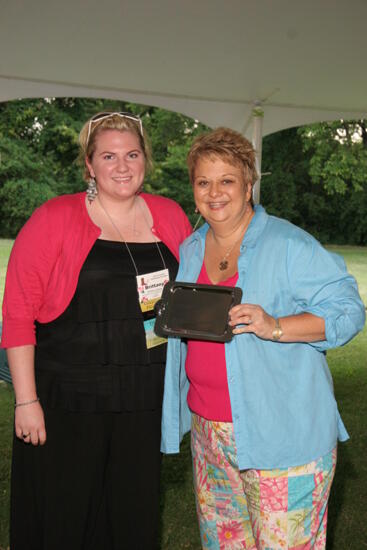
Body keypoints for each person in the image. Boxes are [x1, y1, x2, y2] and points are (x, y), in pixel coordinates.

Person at [161, 127, 365, 549]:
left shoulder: (289, 244)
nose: (214, 192)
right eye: (203, 182)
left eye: (227, 180)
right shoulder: (192, 248)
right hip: (209, 435)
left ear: (249, 185)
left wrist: (275, 325)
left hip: (282, 438)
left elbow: (349, 311)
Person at [1, 111, 192, 550]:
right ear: (89, 165)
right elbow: (17, 315)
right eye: (108, 156)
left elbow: (194, 294)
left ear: (146, 159)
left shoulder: (168, 215)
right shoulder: (54, 217)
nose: (122, 166)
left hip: (143, 399)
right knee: (65, 516)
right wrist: (26, 401)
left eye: (132, 154)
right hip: (68, 400)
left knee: (130, 515)